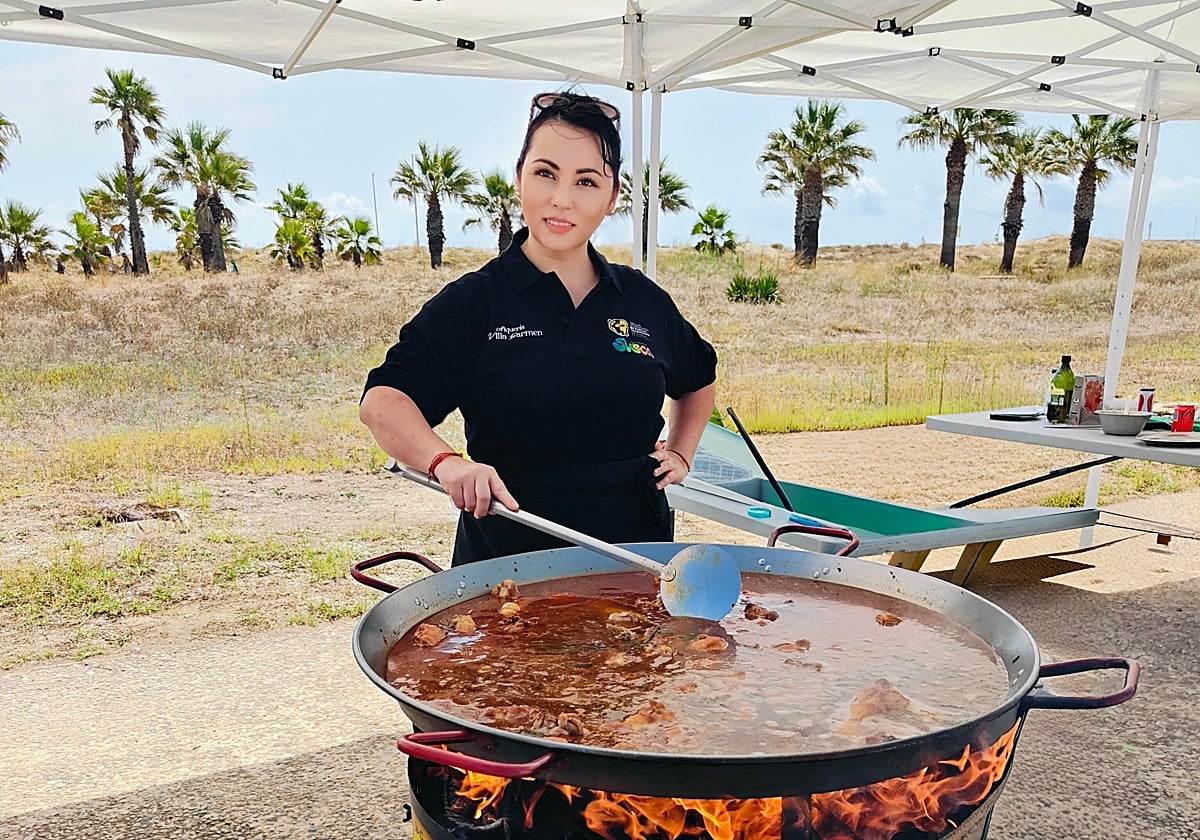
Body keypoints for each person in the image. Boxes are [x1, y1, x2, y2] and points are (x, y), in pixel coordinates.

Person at [359, 91, 717, 567]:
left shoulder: (642, 299)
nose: (561, 199)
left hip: (636, 557)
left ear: (612, 199)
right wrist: (447, 464)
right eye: (545, 173)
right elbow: (382, 403)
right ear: (519, 177)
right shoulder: (475, 301)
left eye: (587, 181)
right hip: (507, 563)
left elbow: (698, 378)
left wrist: (682, 452)